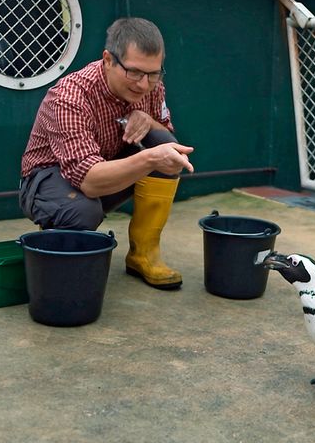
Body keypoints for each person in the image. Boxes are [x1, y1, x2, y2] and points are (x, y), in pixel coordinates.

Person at [19, 17, 194, 291]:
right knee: (81, 210)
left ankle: (143, 253)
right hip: (48, 180)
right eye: (134, 73)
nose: (143, 84)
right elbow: (89, 181)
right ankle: (59, 243)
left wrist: (148, 121)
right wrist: (148, 159)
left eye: (153, 74)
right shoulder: (69, 96)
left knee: (163, 142)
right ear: (108, 60)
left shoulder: (151, 86)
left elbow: (165, 132)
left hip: (105, 164)